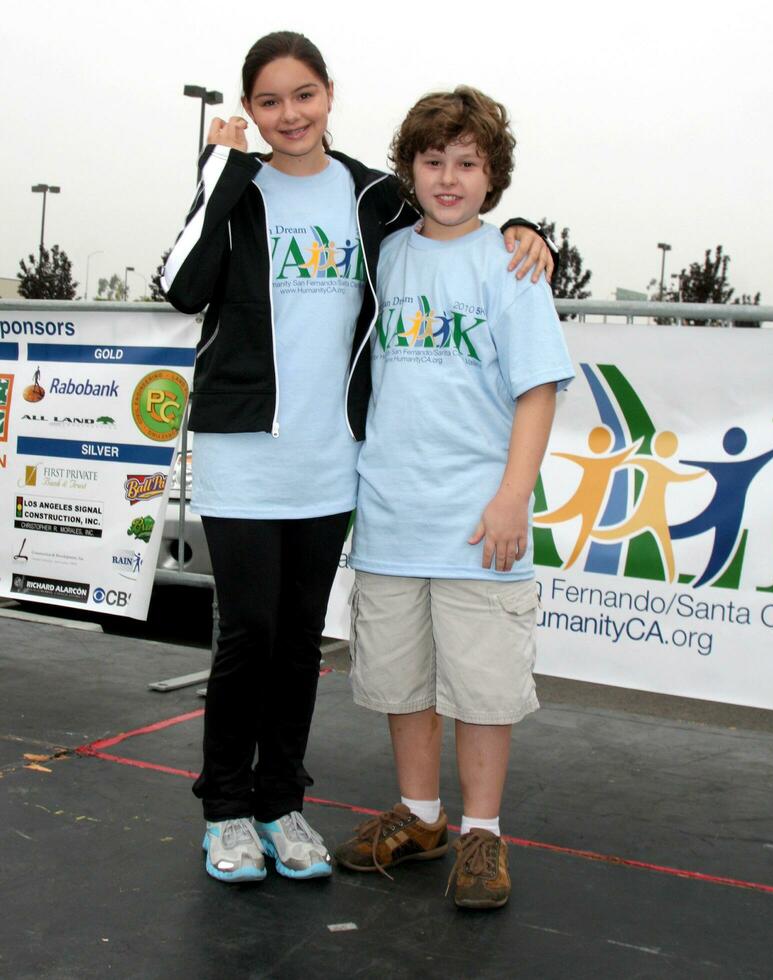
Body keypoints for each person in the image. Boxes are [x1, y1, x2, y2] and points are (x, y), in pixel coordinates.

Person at [162, 32, 557, 885]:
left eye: (304, 95)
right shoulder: (237, 191)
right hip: (244, 452)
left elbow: (455, 211)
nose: (289, 114)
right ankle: (227, 809)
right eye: (269, 101)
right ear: (250, 111)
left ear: (330, 95)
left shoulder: (370, 196)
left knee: (300, 639)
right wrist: (219, 169)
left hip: (333, 460)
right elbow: (182, 284)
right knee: (249, 635)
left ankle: (281, 803)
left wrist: (527, 230)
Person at [335, 86, 573, 909]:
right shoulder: (388, 253)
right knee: (402, 684)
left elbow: (538, 390)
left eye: (467, 163)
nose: (448, 177)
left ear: (492, 175)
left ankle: (481, 833)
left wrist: (514, 498)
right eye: (432, 161)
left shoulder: (511, 263)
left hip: (480, 523)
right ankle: (422, 814)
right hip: (392, 517)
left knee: (482, 689)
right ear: (409, 168)